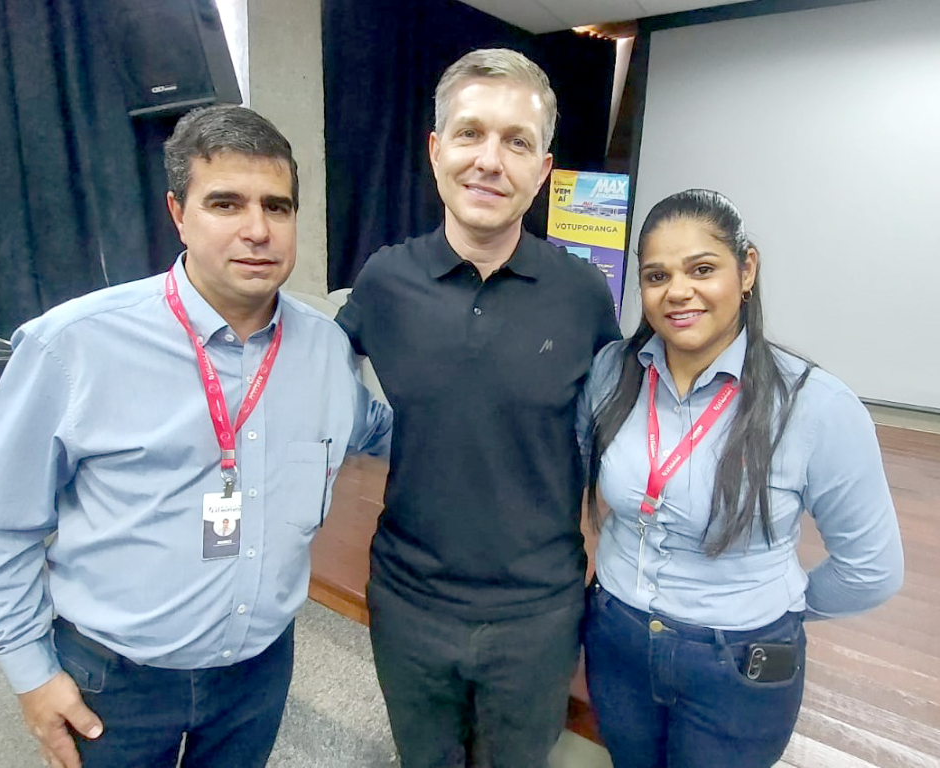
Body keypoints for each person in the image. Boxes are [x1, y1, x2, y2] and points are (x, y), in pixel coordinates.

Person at [0, 105, 391, 768]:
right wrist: (31, 676)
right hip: (114, 681)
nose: (257, 230)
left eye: (278, 205)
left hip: (258, 673)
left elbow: (379, 429)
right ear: (178, 213)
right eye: (225, 203)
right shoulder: (73, 345)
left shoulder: (324, 348)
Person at [336, 49, 620, 767]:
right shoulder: (385, 280)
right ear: (436, 151)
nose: (489, 161)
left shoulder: (583, 295)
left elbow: (620, 431)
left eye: (516, 142)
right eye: (469, 134)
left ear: (543, 170)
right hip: (407, 603)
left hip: (538, 613)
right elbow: (297, 377)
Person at [577, 189, 904, 768]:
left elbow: (871, 570)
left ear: (746, 268)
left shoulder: (815, 406)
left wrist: (774, 611)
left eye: (702, 269)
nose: (678, 291)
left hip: (738, 668)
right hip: (616, 640)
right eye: (656, 276)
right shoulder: (611, 372)